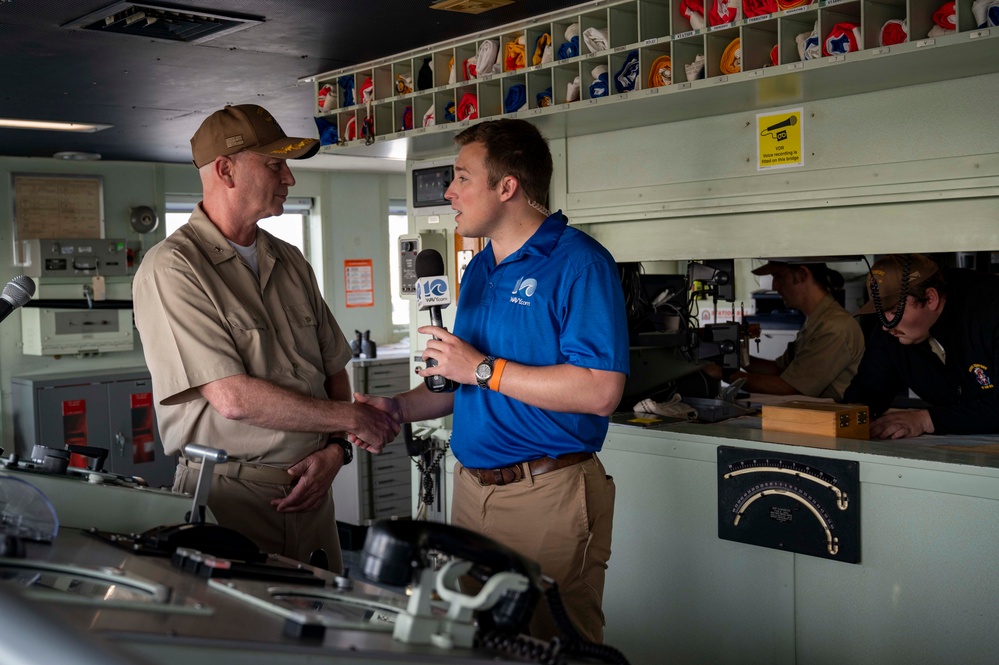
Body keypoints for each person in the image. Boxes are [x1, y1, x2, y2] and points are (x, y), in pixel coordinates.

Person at [353, 119, 630, 643]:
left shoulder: (581, 264)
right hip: (472, 489)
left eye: (461, 177)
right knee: (474, 642)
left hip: (545, 493)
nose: (449, 192)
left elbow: (600, 391)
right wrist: (395, 409)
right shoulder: (480, 268)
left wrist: (482, 368)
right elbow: (462, 381)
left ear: (508, 187)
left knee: (549, 645)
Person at [133, 104, 399, 569]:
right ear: (225, 170)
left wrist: (336, 451)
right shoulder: (174, 267)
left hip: (312, 494)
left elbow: (334, 365)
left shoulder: (290, 259)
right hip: (229, 501)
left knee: (321, 628)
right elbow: (232, 398)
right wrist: (352, 420)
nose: (289, 179)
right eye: (275, 164)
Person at [844, 253, 999, 439]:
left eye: (893, 311)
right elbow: (866, 392)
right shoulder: (893, 330)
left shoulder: (990, 310)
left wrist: (925, 420)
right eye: (880, 313)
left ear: (931, 298)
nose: (885, 325)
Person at [716, 261, 865, 400]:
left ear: (802, 274)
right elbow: (779, 369)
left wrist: (725, 374)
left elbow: (789, 387)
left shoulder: (833, 327)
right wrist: (735, 357)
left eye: (779, 277)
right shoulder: (816, 320)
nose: (774, 286)